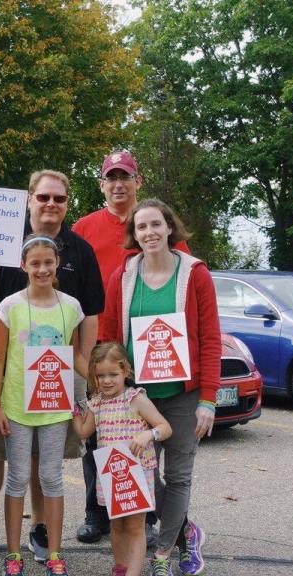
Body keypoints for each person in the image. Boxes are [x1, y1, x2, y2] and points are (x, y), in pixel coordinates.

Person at [0, 170, 103, 562]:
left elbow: (88, 315)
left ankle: (40, 527)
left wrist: (87, 377)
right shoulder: (0, 241)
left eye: (58, 198)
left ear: (66, 203)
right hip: (4, 370)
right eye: (43, 197)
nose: (51, 204)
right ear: (30, 199)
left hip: (57, 374)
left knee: (46, 456)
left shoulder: (79, 250)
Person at [99, 199, 220, 576]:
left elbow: (210, 338)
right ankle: (188, 530)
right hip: (138, 398)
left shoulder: (195, 274)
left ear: (170, 228)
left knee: (179, 477)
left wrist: (208, 399)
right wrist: (105, 387)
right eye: (141, 227)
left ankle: (164, 554)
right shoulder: (124, 275)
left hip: (184, 395)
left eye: (155, 224)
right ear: (133, 234)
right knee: (147, 477)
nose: (149, 232)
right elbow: (111, 334)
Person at [72, 153, 190, 544]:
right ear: (102, 184)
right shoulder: (84, 226)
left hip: (156, 352)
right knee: (100, 434)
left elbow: (184, 282)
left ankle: (157, 517)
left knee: (144, 440)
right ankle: (97, 512)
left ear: (138, 181)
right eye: (111, 178)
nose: (118, 184)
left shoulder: (154, 223)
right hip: (104, 344)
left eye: (126, 177)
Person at [0, 235, 89, 576]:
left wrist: (104, 381)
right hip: (16, 406)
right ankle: (13, 555)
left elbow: (74, 354)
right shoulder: (10, 306)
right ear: (24, 266)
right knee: (16, 478)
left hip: (54, 406)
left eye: (49, 262)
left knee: (51, 478)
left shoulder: (71, 306)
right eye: (35, 263)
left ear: (57, 263)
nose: (43, 269)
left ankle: (55, 555)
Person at [71, 343, 172, 576]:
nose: (106, 381)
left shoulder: (135, 398)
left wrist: (148, 434)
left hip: (137, 474)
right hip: (112, 474)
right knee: (117, 525)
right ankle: (121, 567)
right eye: (100, 376)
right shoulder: (97, 404)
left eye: (112, 375)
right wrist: (70, 409)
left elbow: (165, 427)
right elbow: (84, 432)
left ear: (125, 371)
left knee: (136, 527)